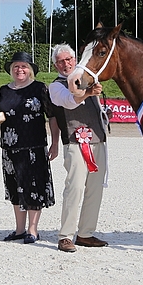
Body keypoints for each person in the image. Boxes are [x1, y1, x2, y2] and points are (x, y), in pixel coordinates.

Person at [0, 51, 58, 244]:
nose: (20, 69)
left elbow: (52, 116)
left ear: (30, 70)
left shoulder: (39, 88)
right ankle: (19, 229)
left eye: (24, 66)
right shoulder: (4, 90)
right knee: (14, 187)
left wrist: (54, 142)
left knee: (34, 187)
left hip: (34, 146)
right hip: (10, 148)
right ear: (11, 69)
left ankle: (32, 229)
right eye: (16, 66)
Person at [48, 43, 109, 253]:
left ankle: (86, 233)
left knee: (95, 189)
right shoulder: (56, 86)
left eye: (69, 60)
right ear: (56, 65)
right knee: (74, 188)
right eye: (61, 61)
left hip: (98, 140)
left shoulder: (87, 80)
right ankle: (65, 235)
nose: (66, 64)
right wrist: (88, 93)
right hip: (75, 141)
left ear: (75, 60)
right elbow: (69, 102)